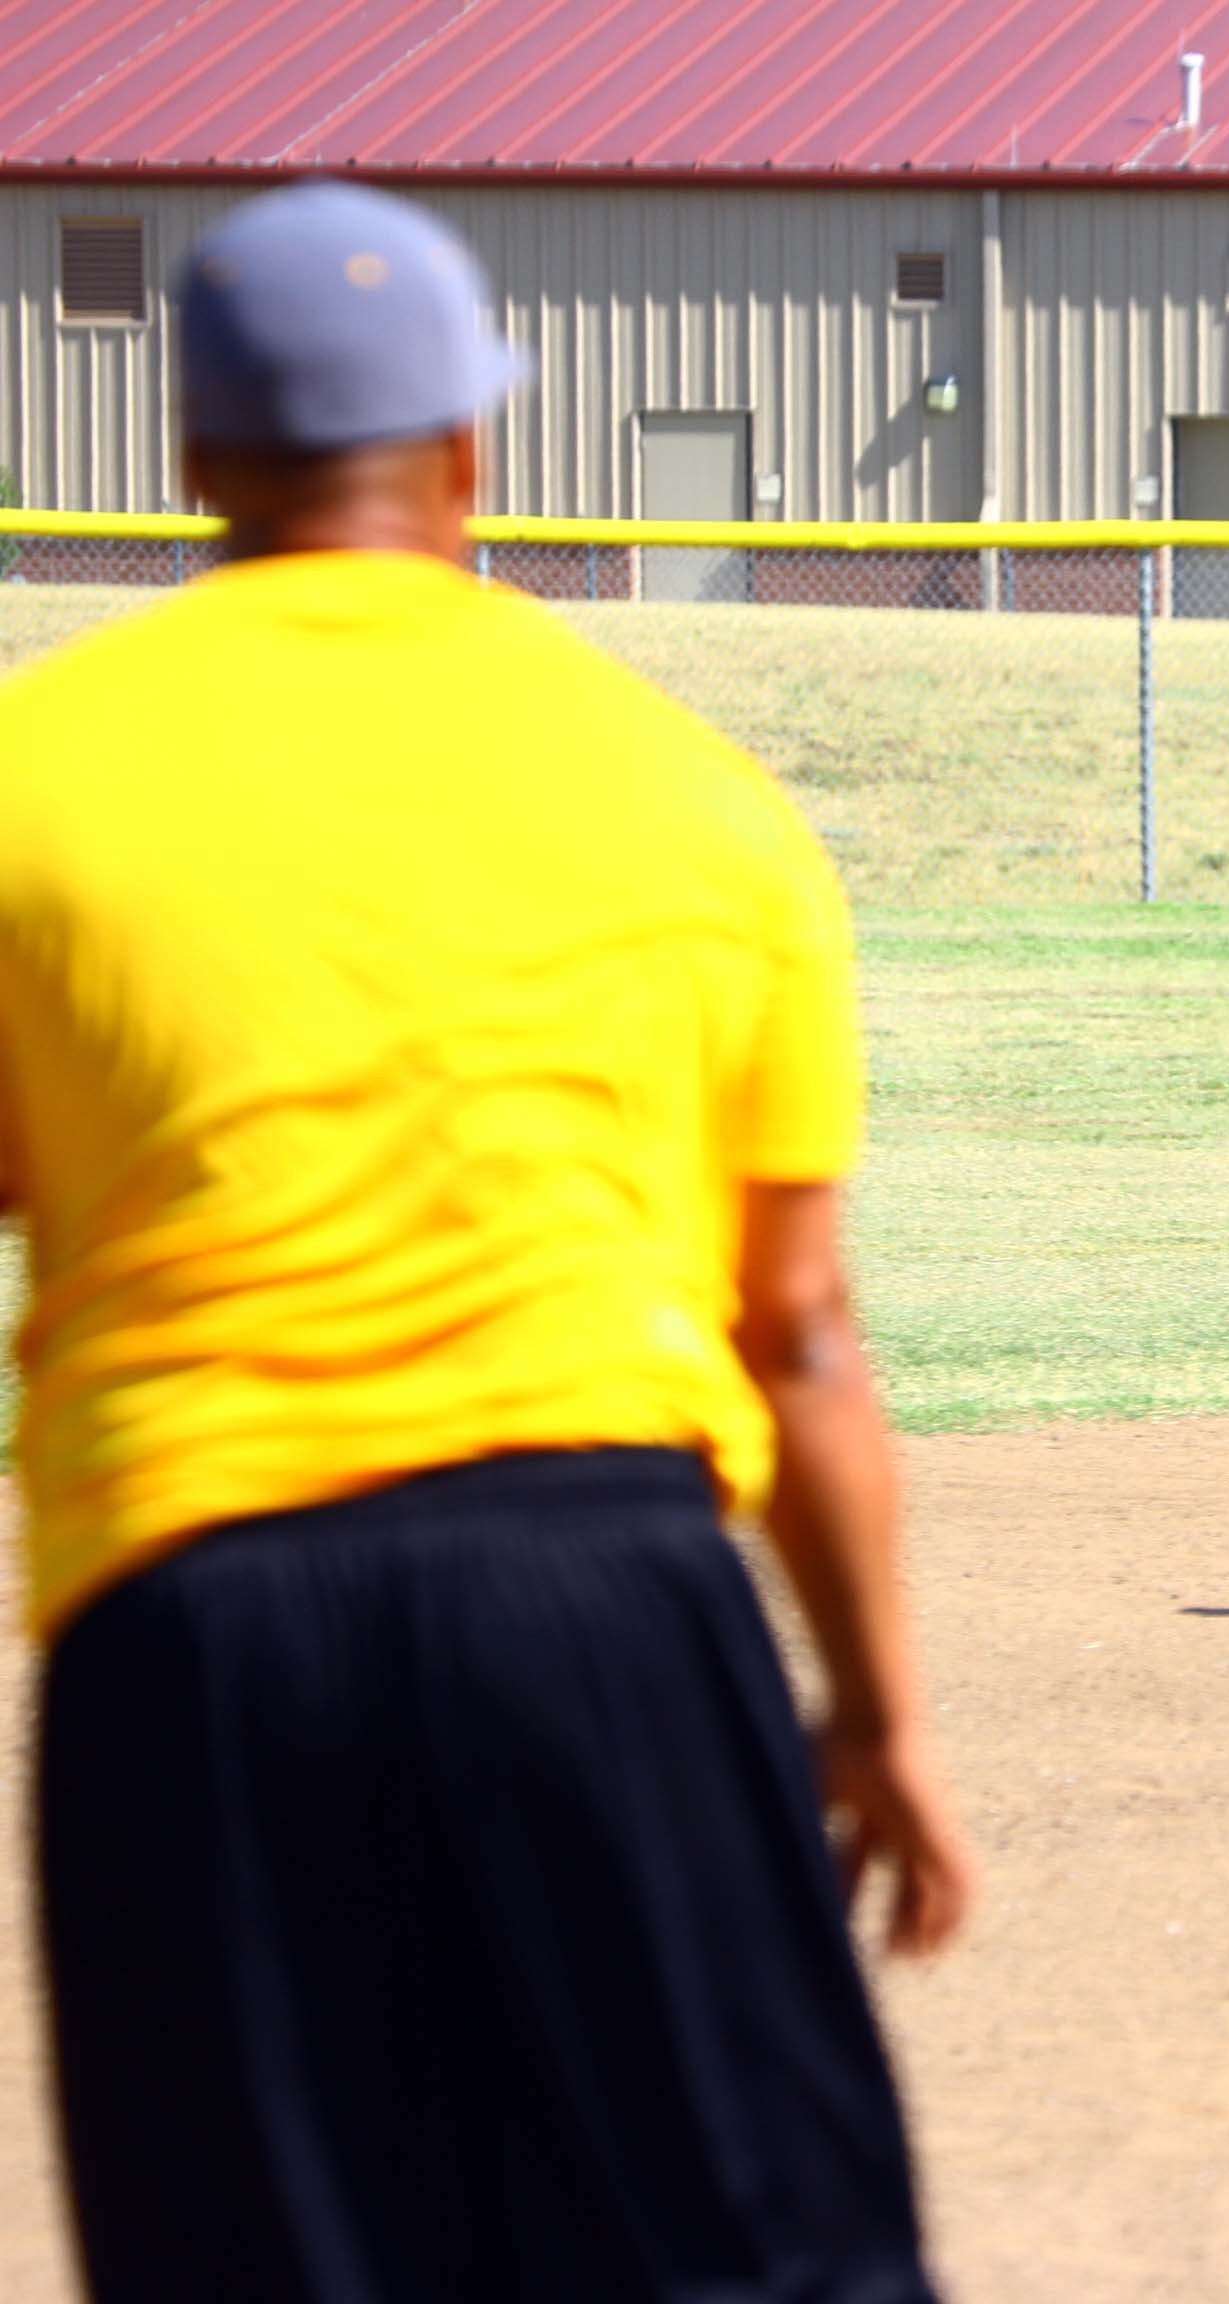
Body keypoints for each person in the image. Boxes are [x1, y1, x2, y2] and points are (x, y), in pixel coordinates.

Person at [0, 180, 972, 2299]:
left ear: (188, 459)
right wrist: (877, 1719)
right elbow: (796, 1332)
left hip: (191, 1617)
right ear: (470, 450)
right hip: (599, 1598)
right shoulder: (693, 793)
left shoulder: (29, 773)